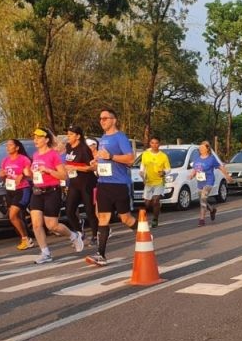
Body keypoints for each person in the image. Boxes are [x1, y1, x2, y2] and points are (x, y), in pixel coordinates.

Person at [86, 108, 137, 267]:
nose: (102, 121)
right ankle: (101, 255)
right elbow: (104, 159)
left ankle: (143, 234)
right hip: (103, 184)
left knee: (125, 218)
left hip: (119, 184)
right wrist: (97, 163)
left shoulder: (120, 137)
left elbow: (130, 159)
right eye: (100, 118)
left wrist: (111, 157)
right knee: (103, 218)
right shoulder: (102, 138)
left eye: (105, 118)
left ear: (114, 120)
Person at [29, 126, 81, 264]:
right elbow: (33, 173)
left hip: (52, 192)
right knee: (36, 224)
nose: (36, 140)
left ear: (46, 140)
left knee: (52, 226)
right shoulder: (35, 155)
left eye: (39, 137)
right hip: (37, 192)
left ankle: (73, 235)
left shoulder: (53, 155)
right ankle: (45, 253)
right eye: (35, 137)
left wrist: (48, 170)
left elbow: (63, 175)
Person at [62, 125, 98, 244]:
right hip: (74, 183)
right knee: (69, 210)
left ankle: (95, 235)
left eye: (71, 134)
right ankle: (79, 233)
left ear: (78, 136)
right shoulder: (68, 146)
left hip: (87, 182)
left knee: (89, 211)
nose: (68, 136)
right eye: (68, 134)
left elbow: (91, 167)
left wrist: (75, 167)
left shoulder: (84, 148)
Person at [0, 139, 34, 251]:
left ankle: (25, 238)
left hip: (22, 189)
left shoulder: (23, 159)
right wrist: (2, 175)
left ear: (17, 147)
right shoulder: (5, 160)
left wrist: (22, 174)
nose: (8, 147)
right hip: (10, 189)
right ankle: (26, 238)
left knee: (13, 215)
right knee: (16, 217)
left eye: (10, 145)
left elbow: (29, 172)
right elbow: (4, 175)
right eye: (7, 145)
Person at [190, 141, 232, 227]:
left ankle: (201, 220)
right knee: (203, 200)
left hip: (209, 181)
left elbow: (220, 167)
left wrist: (227, 176)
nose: (200, 149)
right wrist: (191, 175)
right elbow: (195, 169)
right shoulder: (197, 158)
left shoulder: (211, 158)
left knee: (203, 199)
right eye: (200, 148)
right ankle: (212, 210)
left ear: (207, 149)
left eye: (202, 148)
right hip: (200, 182)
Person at [140, 136, 171, 228]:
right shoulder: (145, 154)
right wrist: (142, 175)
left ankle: (155, 219)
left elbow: (168, 169)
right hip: (149, 182)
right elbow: (143, 166)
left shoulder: (163, 156)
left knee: (155, 200)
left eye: (156, 143)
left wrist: (164, 172)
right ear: (150, 143)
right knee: (147, 203)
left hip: (159, 181)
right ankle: (155, 208)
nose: (154, 145)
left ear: (159, 144)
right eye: (152, 143)